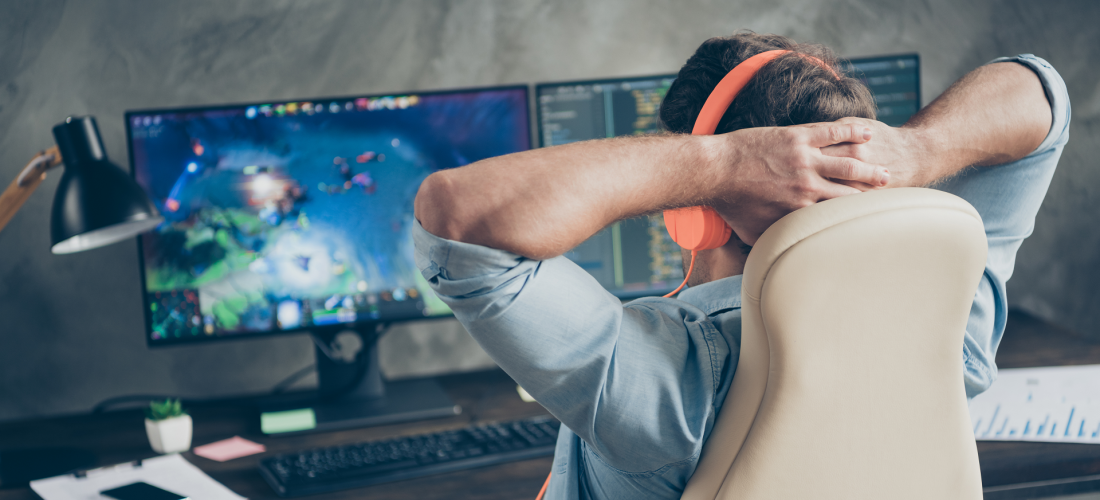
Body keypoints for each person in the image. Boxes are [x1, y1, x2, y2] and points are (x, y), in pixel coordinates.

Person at [413, 32, 1070, 499]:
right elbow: (1045, 101)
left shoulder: (668, 382)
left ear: (689, 213)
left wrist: (721, 164)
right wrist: (919, 150)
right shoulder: (951, 335)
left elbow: (455, 212)